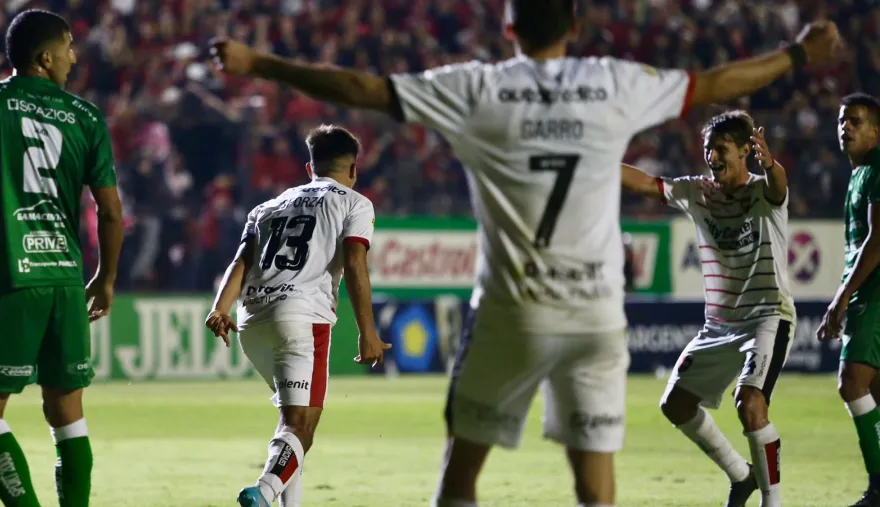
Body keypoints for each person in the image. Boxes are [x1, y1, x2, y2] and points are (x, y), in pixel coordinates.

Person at [208, 1, 842, 504]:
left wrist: (260, 63)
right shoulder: (612, 83)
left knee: (459, 481)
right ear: (573, 24)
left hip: (509, 313)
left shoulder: (478, 88)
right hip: (593, 313)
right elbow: (716, 84)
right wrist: (794, 54)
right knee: (595, 489)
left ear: (508, 25)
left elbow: (362, 87)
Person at [0, 9, 123, 507]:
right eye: (67, 46)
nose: (73, 56)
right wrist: (104, 279)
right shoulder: (85, 117)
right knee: (67, 412)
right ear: (44, 58)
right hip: (65, 279)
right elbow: (109, 211)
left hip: (10, 276)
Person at [205, 124, 389, 507]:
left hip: (251, 320)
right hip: (302, 318)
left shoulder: (268, 206)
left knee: (291, 424)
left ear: (310, 168)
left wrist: (219, 308)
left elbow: (241, 261)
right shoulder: (355, 203)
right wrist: (367, 330)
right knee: (301, 427)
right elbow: (355, 262)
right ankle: (264, 491)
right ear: (353, 169)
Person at [622, 111, 792, 507]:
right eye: (707, 150)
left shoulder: (762, 190)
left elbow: (779, 186)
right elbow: (647, 183)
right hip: (720, 325)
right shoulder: (698, 191)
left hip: (767, 315)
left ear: (746, 151)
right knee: (675, 404)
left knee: (750, 405)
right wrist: (596, 158)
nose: (711, 156)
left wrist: (771, 165)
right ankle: (741, 476)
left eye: (721, 149)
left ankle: (774, 502)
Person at [817, 92, 880, 507]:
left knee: (852, 383)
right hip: (871, 295)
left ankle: (879, 488)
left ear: (876, 131)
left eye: (855, 121)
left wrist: (841, 296)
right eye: (842, 121)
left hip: (872, 295)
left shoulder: (876, 170)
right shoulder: (860, 173)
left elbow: (876, 241)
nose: (846, 128)